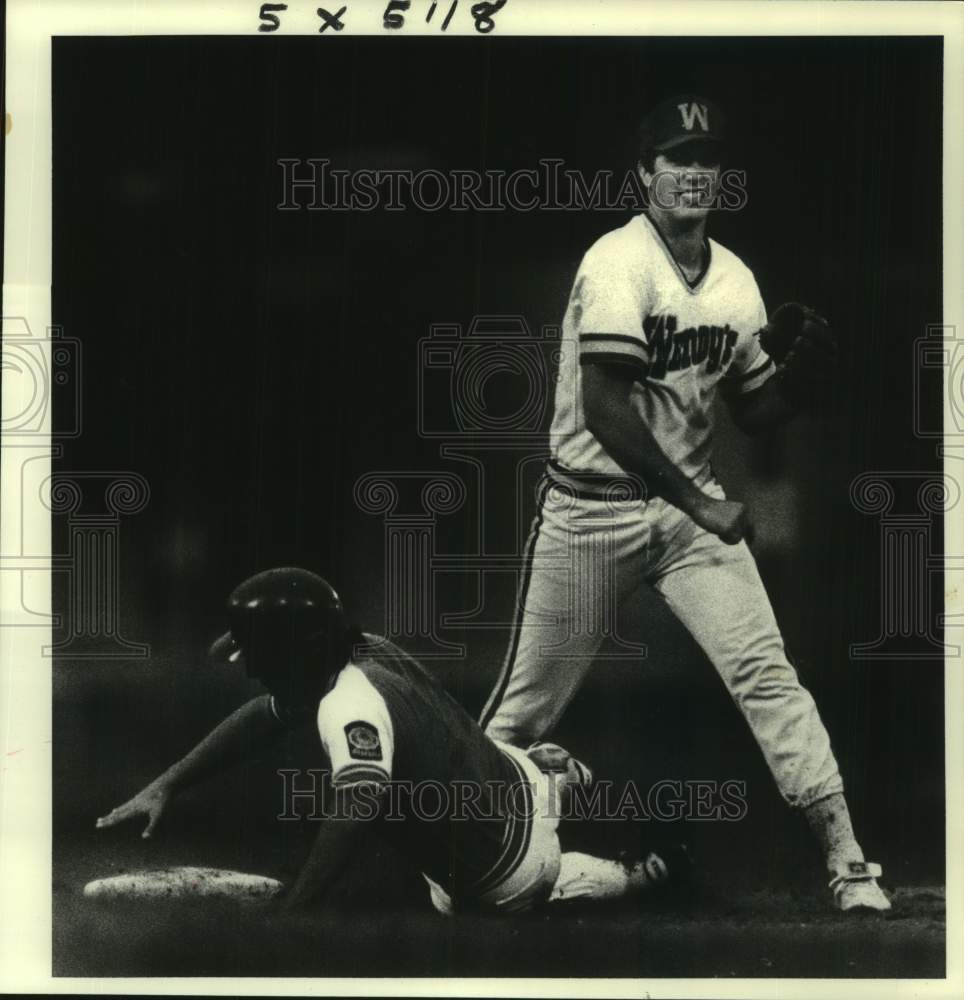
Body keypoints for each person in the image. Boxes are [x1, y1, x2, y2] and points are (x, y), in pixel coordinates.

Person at [478, 94, 890, 913]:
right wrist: (703, 505)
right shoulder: (616, 262)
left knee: (769, 678)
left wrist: (800, 388)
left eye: (706, 160)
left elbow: (754, 407)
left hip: (683, 517)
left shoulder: (735, 279)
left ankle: (849, 864)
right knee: (518, 717)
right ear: (644, 175)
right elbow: (604, 408)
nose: (694, 174)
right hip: (588, 510)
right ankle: (455, 850)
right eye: (677, 159)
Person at [96, 567, 685, 914]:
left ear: (292, 650)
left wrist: (297, 907)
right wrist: (168, 783)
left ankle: (638, 877)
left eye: (257, 651)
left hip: (506, 873)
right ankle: (573, 785)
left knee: (474, 891)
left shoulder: (349, 705)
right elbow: (262, 714)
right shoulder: (359, 647)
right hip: (510, 780)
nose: (250, 666)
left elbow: (357, 806)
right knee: (529, 772)